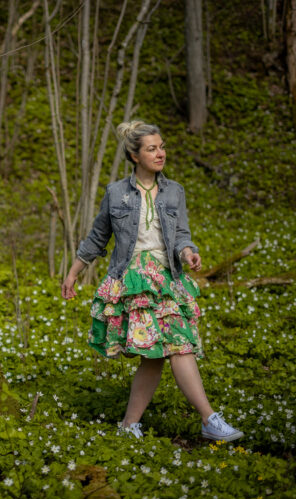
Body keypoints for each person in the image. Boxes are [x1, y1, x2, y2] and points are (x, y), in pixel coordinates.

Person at [61, 120, 243, 442]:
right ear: (135, 155)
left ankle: (203, 420)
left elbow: (181, 235)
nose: (160, 154)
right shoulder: (116, 193)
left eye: (161, 147)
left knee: (177, 346)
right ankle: (147, 424)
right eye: (152, 149)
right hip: (134, 282)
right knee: (155, 355)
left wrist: (188, 253)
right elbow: (97, 237)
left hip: (168, 278)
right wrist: (74, 273)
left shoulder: (174, 192)